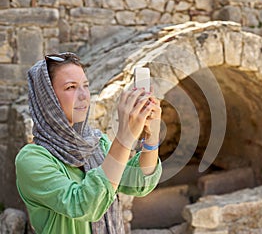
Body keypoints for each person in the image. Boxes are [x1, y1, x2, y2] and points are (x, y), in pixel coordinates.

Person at [15, 52, 162, 234]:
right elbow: (84, 205)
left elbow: (138, 182)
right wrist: (124, 138)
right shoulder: (32, 159)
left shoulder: (96, 144)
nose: (84, 95)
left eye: (85, 85)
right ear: (47, 98)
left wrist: (151, 136)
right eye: (71, 87)